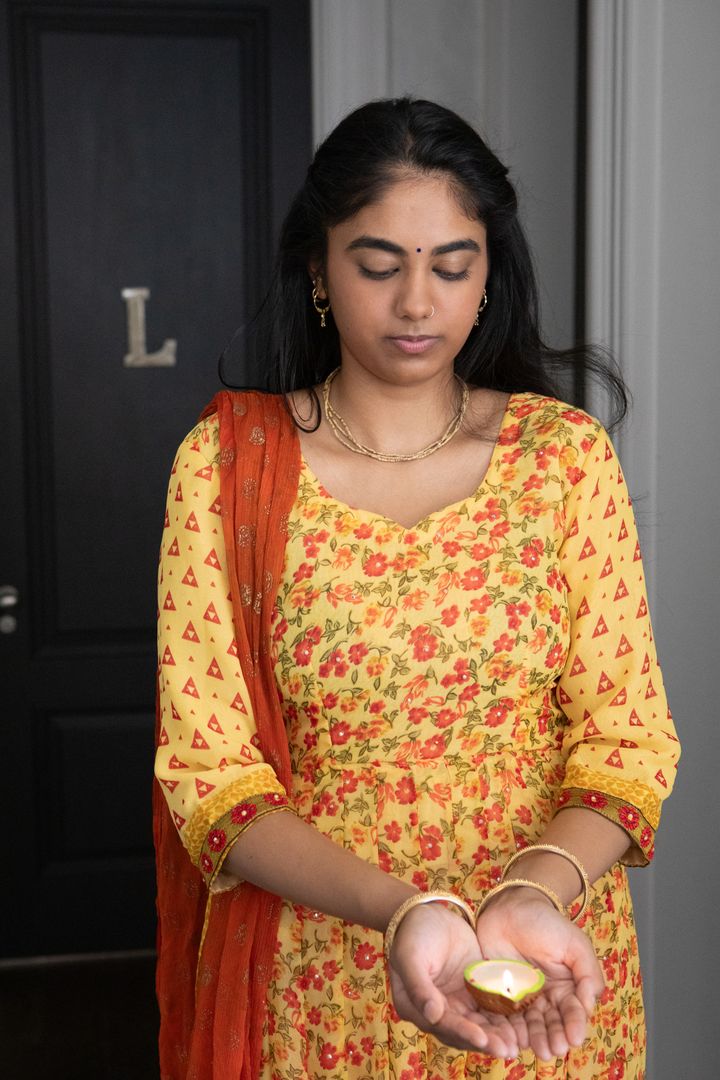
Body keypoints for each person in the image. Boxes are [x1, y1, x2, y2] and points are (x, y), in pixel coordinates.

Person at [153, 98, 679, 1080]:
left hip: (539, 969)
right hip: (321, 982)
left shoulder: (561, 459)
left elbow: (628, 740)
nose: (417, 304)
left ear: (488, 272)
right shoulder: (229, 470)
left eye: (452, 266)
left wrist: (532, 888)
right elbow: (208, 775)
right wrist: (403, 910)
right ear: (318, 268)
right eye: (378, 263)